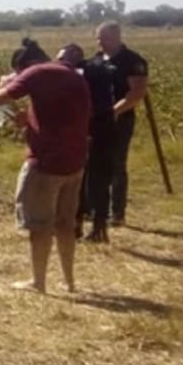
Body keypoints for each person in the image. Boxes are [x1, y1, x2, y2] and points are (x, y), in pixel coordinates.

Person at [0, 43, 90, 293]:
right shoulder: (70, 73)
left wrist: (3, 84)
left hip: (46, 164)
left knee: (39, 226)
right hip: (74, 162)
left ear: (24, 66)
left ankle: (38, 282)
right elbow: (57, 112)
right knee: (65, 224)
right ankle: (69, 281)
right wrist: (29, 118)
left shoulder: (36, 73)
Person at [92, 21, 149, 226]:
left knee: (116, 164)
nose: (100, 43)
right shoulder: (97, 60)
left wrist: (113, 112)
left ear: (117, 37)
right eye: (98, 39)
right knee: (94, 163)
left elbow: (136, 93)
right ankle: (94, 208)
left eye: (105, 39)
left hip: (120, 119)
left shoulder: (133, 61)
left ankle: (117, 213)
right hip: (96, 119)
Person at [65, 42, 117, 242]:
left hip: (92, 128)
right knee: (92, 179)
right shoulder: (98, 70)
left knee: (89, 178)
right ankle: (91, 226)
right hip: (101, 127)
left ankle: (89, 226)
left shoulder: (79, 74)